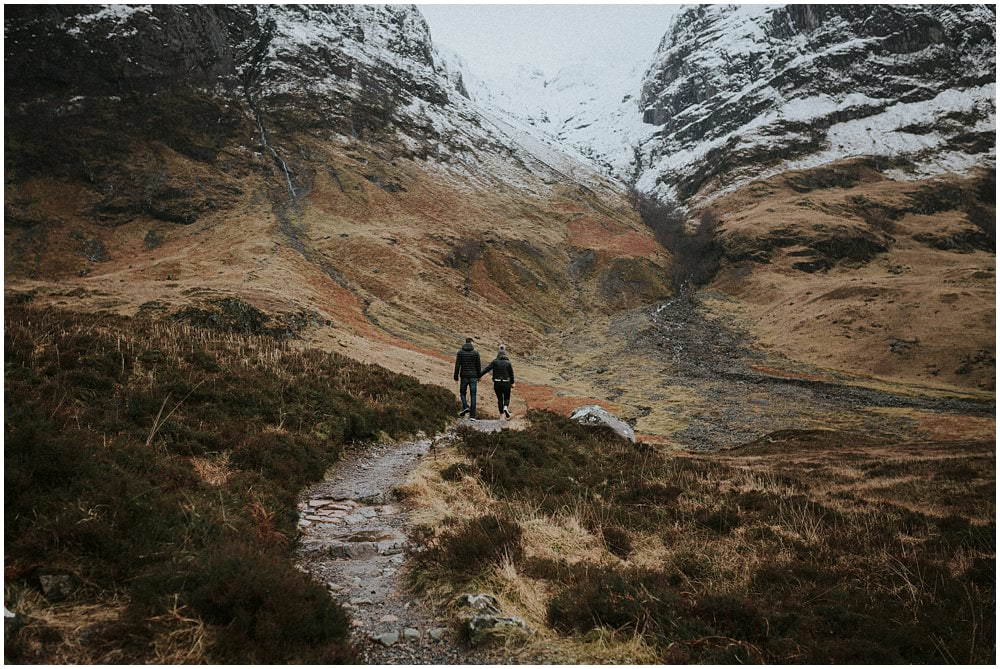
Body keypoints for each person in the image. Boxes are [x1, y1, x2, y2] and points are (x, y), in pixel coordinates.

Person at [480, 344, 515, 419]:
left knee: (499, 399)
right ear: (505, 354)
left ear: (498, 354)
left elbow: (486, 369)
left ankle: (501, 415)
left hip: (497, 383)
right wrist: (512, 383)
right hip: (506, 383)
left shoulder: (495, 362)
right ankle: (505, 407)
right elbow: (511, 374)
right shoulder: (508, 363)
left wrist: (479, 376)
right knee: (506, 398)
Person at [453, 337, 481, 419]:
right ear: (471, 343)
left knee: (462, 393)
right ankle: (472, 416)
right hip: (473, 377)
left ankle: (465, 407)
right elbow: (478, 366)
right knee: (473, 395)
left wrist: (456, 376)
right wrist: (479, 376)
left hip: (464, 376)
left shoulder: (460, 352)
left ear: (465, 342)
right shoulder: (476, 353)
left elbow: (457, 365)